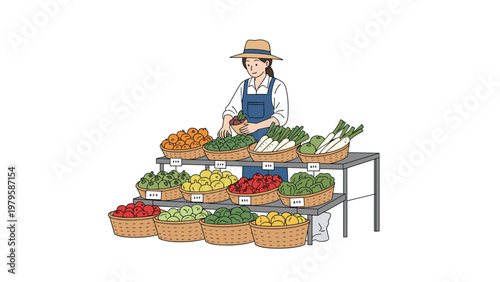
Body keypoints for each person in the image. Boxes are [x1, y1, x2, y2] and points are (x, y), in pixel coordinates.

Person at [218, 39, 289, 180]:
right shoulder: (244, 86)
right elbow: (230, 109)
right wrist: (225, 124)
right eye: (248, 64)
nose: (251, 68)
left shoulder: (277, 86)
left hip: (271, 143)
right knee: (251, 183)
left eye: (256, 63)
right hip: (248, 144)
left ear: (266, 63)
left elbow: (281, 116)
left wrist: (256, 126)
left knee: (275, 181)